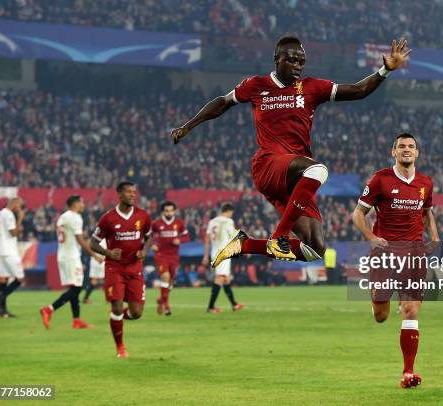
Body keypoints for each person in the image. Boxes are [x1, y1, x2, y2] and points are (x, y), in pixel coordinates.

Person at [171, 36, 411, 267]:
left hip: (294, 180)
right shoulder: (256, 85)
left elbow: (358, 90)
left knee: (314, 249)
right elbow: (223, 102)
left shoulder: (312, 88)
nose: (298, 66)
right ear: (277, 59)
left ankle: (245, 245)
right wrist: (187, 126)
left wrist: (385, 70)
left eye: (301, 62)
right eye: (292, 60)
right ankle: (279, 236)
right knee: (318, 169)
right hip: (268, 165)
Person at [353, 133, 439, 388]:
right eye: (401, 146)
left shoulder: (426, 182)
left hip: (414, 253)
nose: (406, 150)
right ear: (393, 152)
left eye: (411, 146)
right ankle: (377, 301)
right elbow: (358, 214)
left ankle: (408, 372)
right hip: (384, 253)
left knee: (411, 309)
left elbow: (427, 212)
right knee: (381, 315)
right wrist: (370, 236)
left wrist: (434, 235)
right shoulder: (380, 179)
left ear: (417, 153)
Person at [89, 182, 152, 358]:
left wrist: (144, 251)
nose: (133, 195)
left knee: (137, 313)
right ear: (119, 194)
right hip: (114, 268)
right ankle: (120, 347)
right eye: (128, 192)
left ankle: (117, 319)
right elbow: (92, 243)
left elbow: (149, 237)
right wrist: (108, 252)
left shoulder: (143, 216)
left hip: (134, 268)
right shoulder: (108, 218)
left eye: (134, 192)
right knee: (116, 306)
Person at [40, 195, 95, 329]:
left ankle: (76, 320)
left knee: (73, 288)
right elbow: (80, 240)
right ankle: (49, 309)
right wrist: (93, 254)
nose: (83, 204)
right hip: (71, 257)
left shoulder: (62, 217)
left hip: (63, 255)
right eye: (81, 202)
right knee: (77, 288)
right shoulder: (75, 217)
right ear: (75, 204)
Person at [202, 203, 243, 313]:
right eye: (231, 214)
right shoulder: (228, 221)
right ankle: (210, 307)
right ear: (229, 211)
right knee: (220, 278)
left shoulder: (212, 221)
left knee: (226, 279)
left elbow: (207, 238)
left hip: (214, 251)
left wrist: (206, 255)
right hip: (223, 253)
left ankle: (234, 304)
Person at [151, 200, 189, 316]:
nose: (169, 213)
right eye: (167, 211)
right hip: (161, 255)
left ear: (174, 211)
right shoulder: (156, 223)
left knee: (170, 283)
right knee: (165, 277)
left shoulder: (179, 223)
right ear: (163, 212)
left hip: (174, 256)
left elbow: (186, 236)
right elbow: (149, 235)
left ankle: (160, 300)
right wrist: (153, 244)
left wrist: (180, 240)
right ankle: (166, 306)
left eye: (171, 210)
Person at [0, 197, 25, 318]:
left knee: (3, 280)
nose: (20, 209)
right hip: (9, 251)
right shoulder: (9, 214)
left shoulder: (0, 214)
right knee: (20, 279)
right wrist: (20, 218)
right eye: (19, 206)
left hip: (0, 251)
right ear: (14, 204)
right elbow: (14, 233)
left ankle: (3, 310)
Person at [82, 239, 106, 304]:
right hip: (102, 260)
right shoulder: (107, 237)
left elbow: (87, 245)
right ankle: (109, 298)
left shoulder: (94, 237)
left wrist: (94, 256)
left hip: (94, 260)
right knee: (108, 280)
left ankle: (85, 298)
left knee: (94, 281)